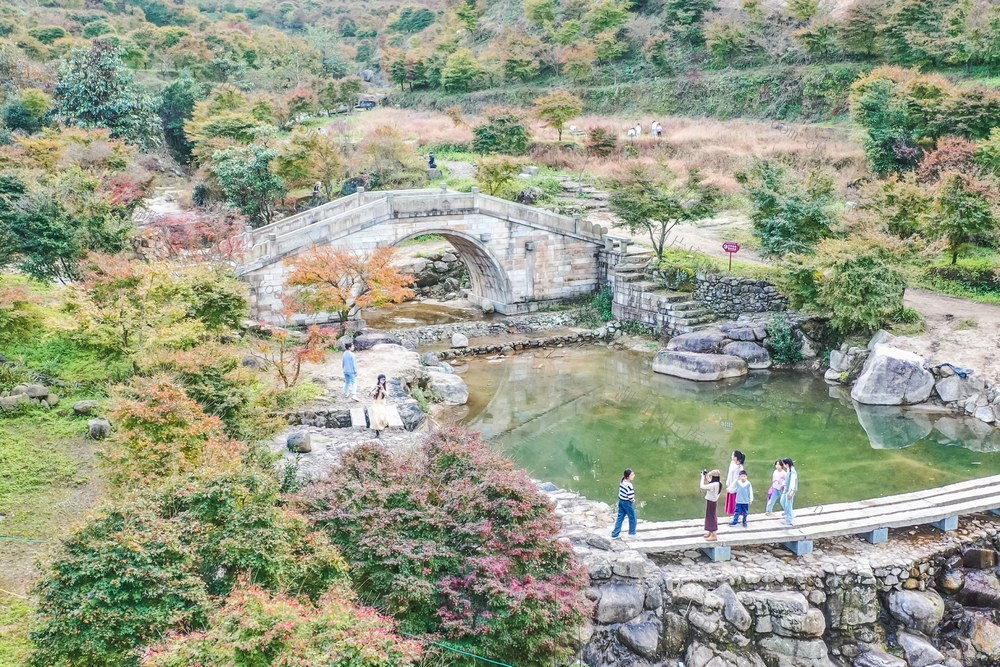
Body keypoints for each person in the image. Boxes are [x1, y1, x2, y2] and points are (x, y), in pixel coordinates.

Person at [611, 469, 637, 540]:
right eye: (632, 475)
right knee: (632, 517)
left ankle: (615, 534)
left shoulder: (622, 482)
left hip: (621, 501)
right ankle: (632, 533)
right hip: (627, 503)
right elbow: (630, 496)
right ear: (628, 476)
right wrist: (633, 500)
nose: (633, 476)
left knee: (620, 518)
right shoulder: (629, 485)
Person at [700, 469, 722, 541]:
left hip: (711, 502)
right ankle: (710, 532)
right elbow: (710, 481)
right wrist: (707, 475)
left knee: (711, 518)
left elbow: (702, 486)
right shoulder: (718, 483)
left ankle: (714, 535)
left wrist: (702, 477)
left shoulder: (713, 485)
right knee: (710, 516)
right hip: (713, 502)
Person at [368, 374, 390, 439]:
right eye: (382, 379)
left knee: (382, 416)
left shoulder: (386, 386)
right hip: (375, 403)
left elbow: (387, 394)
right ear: (379, 380)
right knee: (376, 417)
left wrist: (383, 389)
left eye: (384, 379)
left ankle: (382, 426)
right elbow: (370, 394)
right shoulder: (375, 385)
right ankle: (377, 432)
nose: (383, 381)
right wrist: (376, 389)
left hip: (382, 403)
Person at [725, 450, 745, 515]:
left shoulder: (739, 468)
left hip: (735, 487)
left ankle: (737, 514)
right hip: (730, 483)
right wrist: (728, 483)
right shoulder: (732, 463)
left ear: (736, 457)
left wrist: (731, 487)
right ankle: (734, 514)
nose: (731, 456)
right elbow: (729, 473)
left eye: (733, 455)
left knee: (735, 500)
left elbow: (737, 479)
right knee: (731, 500)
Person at [781, 458, 798, 525]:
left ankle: (789, 519)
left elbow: (792, 484)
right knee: (782, 501)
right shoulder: (788, 469)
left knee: (788, 504)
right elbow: (787, 480)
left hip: (790, 490)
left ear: (787, 464)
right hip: (786, 489)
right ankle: (788, 512)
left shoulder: (792, 472)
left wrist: (790, 493)